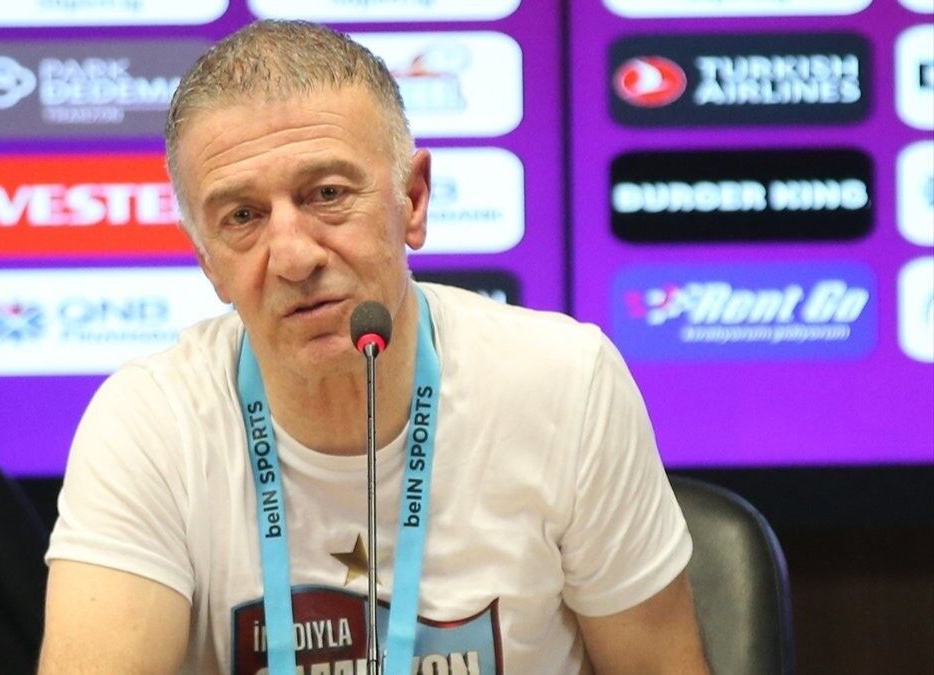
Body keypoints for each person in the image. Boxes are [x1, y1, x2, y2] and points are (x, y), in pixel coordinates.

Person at [38, 19, 709, 675]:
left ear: (412, 199)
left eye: (327, 194)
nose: (294, 257)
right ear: (207, 260)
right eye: (242, 216)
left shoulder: (565, 382)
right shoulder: (150, 422)